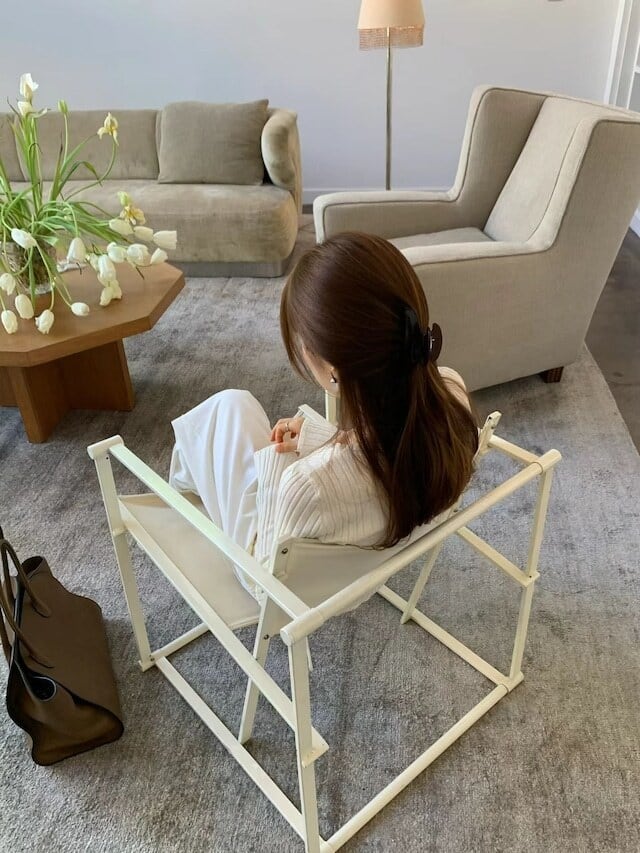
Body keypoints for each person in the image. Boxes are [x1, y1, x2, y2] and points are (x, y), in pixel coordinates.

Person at [169, 232, 479, 598]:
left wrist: (280, 465)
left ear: (332, 368)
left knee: (228, 409)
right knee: (233, 409)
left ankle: (179, 496)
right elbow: (373, 452)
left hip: (275, 571)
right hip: (360, 540)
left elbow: (267, 581)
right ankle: (191, 477)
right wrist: (321, 439)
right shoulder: (452, 394)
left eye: (303, 342)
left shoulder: (307, 486)